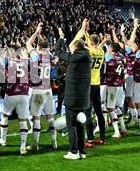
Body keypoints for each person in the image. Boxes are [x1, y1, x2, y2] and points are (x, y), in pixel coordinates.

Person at [55, 27, 92, 160]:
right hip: (84, 98)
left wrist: (60, 37)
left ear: (75, 49)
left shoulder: (74, 58)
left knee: (71, 125)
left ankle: (73, 151)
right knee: (80, 125)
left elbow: (58, 51)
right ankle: (82, 151)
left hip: (72, 97)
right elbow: (73, 46)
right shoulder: (88, 56)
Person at [72, 19, 108, 146]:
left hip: (88, 85)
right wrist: (86, 31)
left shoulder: (89, 52)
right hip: (97, 84)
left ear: (90, 43)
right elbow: (94, 43)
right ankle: (102, 137)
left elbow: (80, 44)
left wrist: (83, 29)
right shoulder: (101, 51)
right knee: (99, 112)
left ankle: (90, 139)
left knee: (87, 111)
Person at [26, 23, 57, 151]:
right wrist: (40, 36)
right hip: (48, 89)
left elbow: (28, 43)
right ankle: (54, 142)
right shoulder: (49, 56)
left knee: (36, 117)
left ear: (38, 47)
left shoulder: (35, 55)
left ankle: (35, 144)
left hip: (37, 89)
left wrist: (35, 33)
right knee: (50, 116)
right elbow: (44, 47)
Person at [0, 44, 31, 155]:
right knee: (23, 121)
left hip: (11, 93)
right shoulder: (26, 62)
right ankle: (23, 147)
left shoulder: (8, 62)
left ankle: (3, 139)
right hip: (24, 94)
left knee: (4, 115)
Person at [104, 43, 127, 139]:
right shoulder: (122, 59)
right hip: (120, 85)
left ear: (111, 49)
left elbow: (105, 72)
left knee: (110, 108)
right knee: (116, 107)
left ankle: (117, 132)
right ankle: (123, 128)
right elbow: (124, 73)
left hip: (112, 85)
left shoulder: (109, 60)